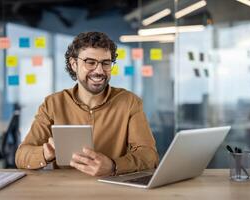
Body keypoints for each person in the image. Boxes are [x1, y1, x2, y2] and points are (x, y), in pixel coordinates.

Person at [15, 32, 159, 176]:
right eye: (90, 62)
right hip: (65, 191)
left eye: (106, 63)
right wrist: (44, 153)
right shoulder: (52, 104)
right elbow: (21, 156)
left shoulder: (129, 102)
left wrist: (114, 166)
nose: (99, 71)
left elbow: (149, 155)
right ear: (74, 64)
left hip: (113, 189)